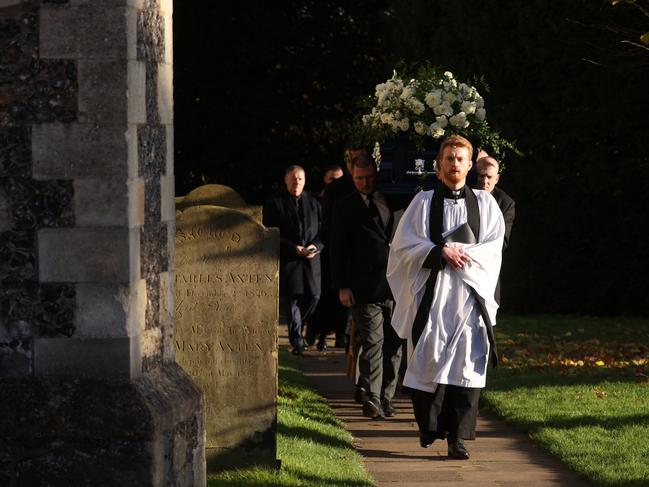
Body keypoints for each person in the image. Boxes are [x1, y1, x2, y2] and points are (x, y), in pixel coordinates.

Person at [387, 135, 504, 459]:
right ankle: (430, 428)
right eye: (449, 159)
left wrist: (461, 255)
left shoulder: (485, 204)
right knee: (429, 357)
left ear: (470, 165)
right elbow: (403, 247)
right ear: (439, 166)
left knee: (467, 364)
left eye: (460, 159)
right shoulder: (423, 202)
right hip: (433, 297)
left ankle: (459, 438)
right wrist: (440, 252)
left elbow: (493, 249)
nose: (454, 164)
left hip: (468, 299)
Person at [330, 152, 403, 418]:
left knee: (394, 344)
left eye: (370, 177)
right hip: (363, 287)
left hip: (397, 286)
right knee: (373, 340)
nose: (365, 182)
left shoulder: (395, 199)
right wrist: (342, 286)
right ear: (352, 176)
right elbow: (338, 249)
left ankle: (386, 396)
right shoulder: (345, 207)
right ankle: (372, 396)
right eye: (360, 179)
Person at [263, 165, 323, 355]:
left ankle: (299, 327)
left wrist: (316, 246)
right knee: (293, 301)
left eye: (300, 178)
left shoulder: (314, 202)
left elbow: (323, 230)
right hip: (290, 259)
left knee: (314, 296)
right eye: (293, 178)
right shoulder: (275, 203)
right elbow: (270, 232)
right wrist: (292, 248)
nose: (296, 181)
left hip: (312, 260)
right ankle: (297, 340)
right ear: (286, 181)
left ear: (304, 181)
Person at [307, 163, 345, 351]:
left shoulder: (347, 200)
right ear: (325, 180)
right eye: (332, 180)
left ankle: (340, 336)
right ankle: (315, 333)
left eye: (339, 180)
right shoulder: (316, 201)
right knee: (320, 300)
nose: (335, 184)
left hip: (338, 256)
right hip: (321, 256)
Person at [474, 155, 515, 304]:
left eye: (489, 177)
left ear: (497, 178)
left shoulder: (505, 203)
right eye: (481, 176)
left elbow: (501, 242)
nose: (485, 181)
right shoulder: (465, 194)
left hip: (486, 265)